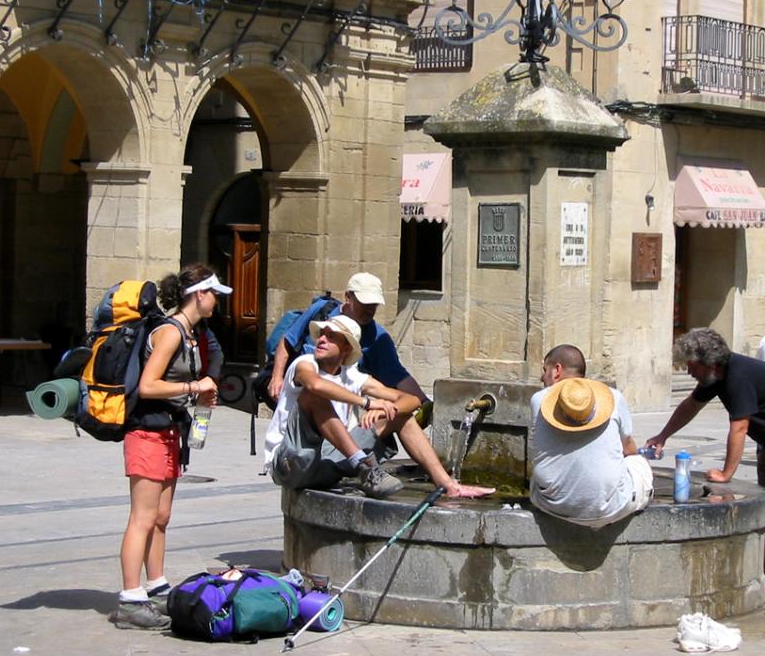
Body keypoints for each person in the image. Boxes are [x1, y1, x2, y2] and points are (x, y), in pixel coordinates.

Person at [645, 328, 765, 597]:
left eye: (691, 365)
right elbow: (690, 405)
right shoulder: (715, 376)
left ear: (709, 362)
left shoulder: (739, 376)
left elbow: (739, 427)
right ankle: (761, 571)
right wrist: (662, 436)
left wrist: (727, 473)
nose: (688, 371)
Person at [109, 265, 230, 630]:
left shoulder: (190, 333)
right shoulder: (170, 332)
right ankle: (130, 599)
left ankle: (157, 586)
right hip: (146, 432)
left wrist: (200, 395)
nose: (217, 301)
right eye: (214, 294)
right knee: (142, 518)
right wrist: (194, 387)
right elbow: (148, 386)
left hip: (168, 431)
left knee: (161, 517)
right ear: (199, 294)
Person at [265, 314, 493, 499]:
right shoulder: (305, 364)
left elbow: (412, 399)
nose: (321, 339)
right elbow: (315, 385)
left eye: (331, 336)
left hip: (328, 461)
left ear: (346, 348)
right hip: (290, 462)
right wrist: (367, 402)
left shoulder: (353, 377)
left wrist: (383, 410)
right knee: (314, 396)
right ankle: (364, 465)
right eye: (321, 334)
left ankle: (449, 485)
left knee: (401, 415)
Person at [528, 345, 654, 527]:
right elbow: (629, 449)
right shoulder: (614, 397)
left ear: (557, 370)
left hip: (552, 506)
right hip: (610, 509)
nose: (542, 377)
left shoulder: (538, 400)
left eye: (544, 370)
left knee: (539, 474)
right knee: (638, 461)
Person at [267, 273, 429, 408]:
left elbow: (398, 376)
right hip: (302, 394)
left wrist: (424, 402)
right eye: (365, 303)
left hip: (342, 405)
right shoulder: (321, 310)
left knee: (401, 418)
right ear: (348, 297)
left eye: (374, 304)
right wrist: (276, 378)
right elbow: (287, 340)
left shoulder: (378, 338)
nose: (370, 310)